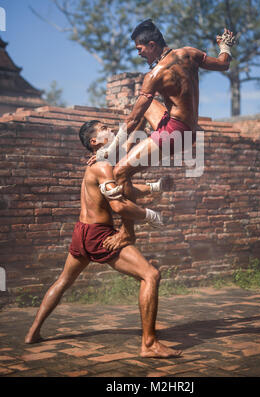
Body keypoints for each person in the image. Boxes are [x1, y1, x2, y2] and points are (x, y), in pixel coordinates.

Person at [25, 120, 180, 358]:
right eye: (104, 128)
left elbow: (123, 187)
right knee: (150, 275)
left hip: (82, 233)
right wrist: (150, 215)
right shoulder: (103, 166)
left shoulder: (101, 165)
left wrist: (155, 187)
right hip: (99, 235)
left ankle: (33, 333)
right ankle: (149, 345)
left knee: (63, 281)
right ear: (94, 142)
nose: (111, 130)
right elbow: (118, 205)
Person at [88, 19, 236, 238]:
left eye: (139, 49)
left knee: (120, 171)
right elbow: (224, 64)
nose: (139, 54)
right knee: (149, 108)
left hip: (174, 133)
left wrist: (104, 152)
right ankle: (128, 150)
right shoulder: (189, 53)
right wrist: (225, 46)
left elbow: (131, 120)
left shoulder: (154, 76)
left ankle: (127, 232)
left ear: (151, 45)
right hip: (189, 130)